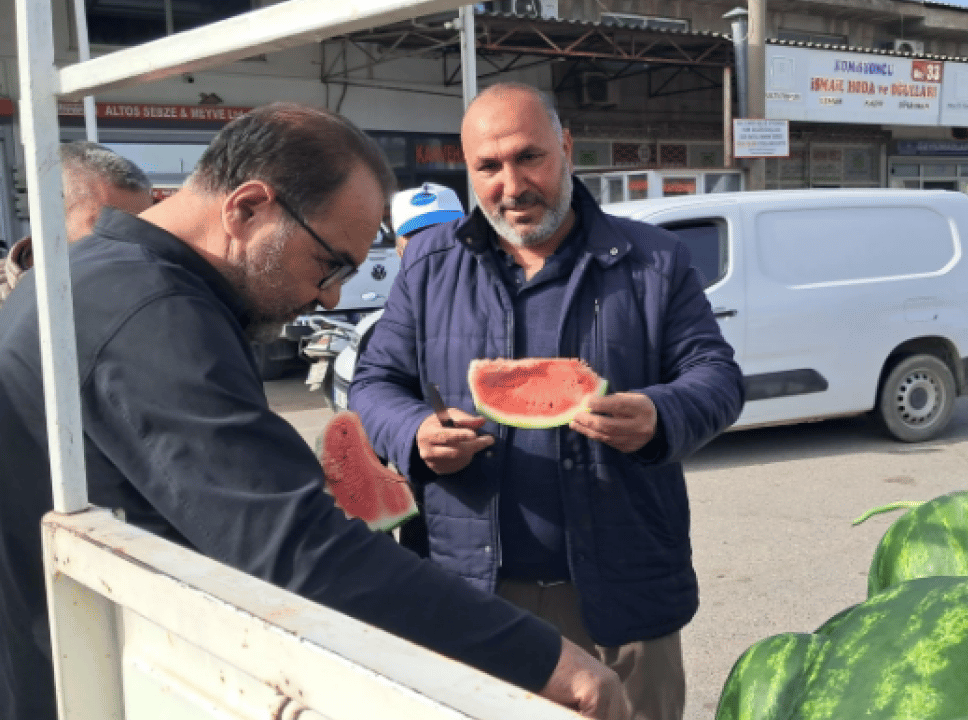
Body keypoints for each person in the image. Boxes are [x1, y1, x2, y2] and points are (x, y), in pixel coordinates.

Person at [0, 102, 627, 720]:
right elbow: (299, 550)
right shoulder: (151, 312)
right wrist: (549, 661)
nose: (327, 295)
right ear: (248, 208)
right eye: (330, 265)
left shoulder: (92, 270)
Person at [349, 82, 746, 720]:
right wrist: (414, 434)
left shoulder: (654, 262)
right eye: (489, 167)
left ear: (564, 147)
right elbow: (373, 383)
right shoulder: (429, 269)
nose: (512, 184)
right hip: (472, 590)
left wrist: (661, 415)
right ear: (468, 170)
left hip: (622, 598)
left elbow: (717, 376)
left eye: (529, 156)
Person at [0, 140, 154, 306]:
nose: (132, 247)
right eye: (108, 226)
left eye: (140, 229)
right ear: (48, 215)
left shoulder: (153, 293)